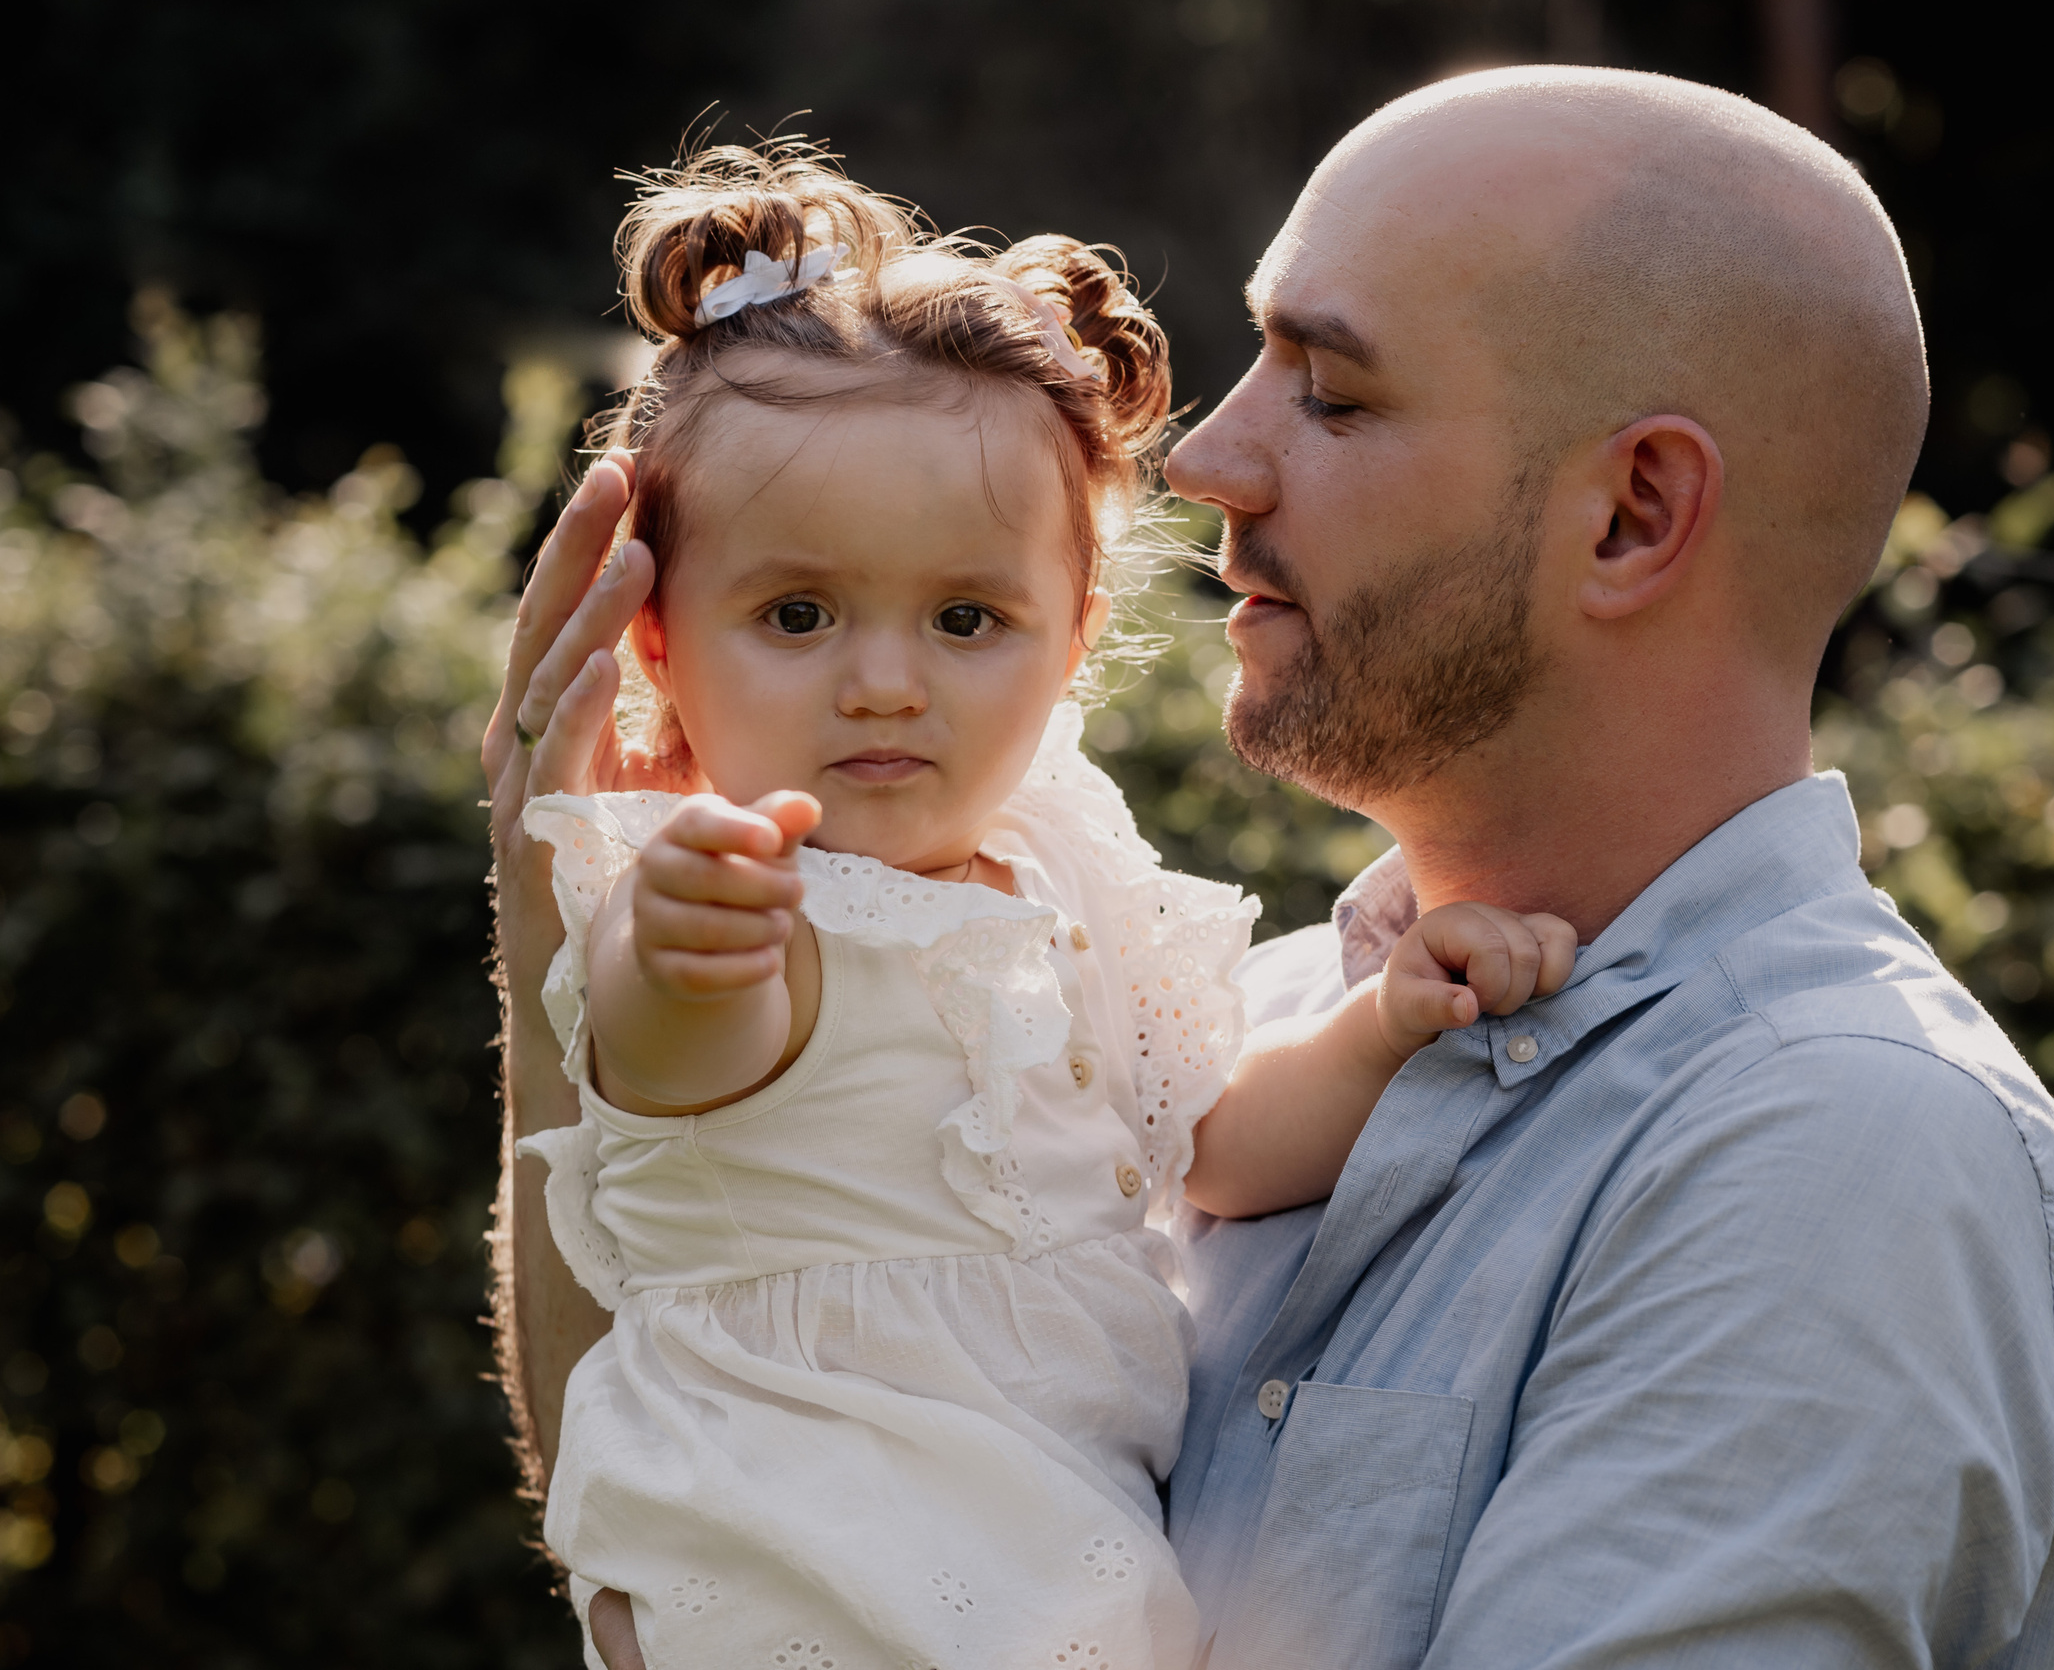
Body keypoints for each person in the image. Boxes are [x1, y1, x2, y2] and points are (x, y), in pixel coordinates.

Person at [489, 68, 2054, 1669]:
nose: (1202, 460)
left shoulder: (1833, 1147)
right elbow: (702, 1453)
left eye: (1330, 393)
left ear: (1631, 514)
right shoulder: (1233, 1023)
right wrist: (559, 925)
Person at [497, 142, 1575, 1670]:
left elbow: (1215, 1143)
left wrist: (1388, 1029)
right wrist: (676, 942)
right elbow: (664, 1054)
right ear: (660, 644)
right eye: (797, 614)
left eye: (966, 618)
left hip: (1059, 1575)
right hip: (810, 1573)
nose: (886, 680)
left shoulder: (1064, 868)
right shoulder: (733, 897)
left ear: (1072, 640)